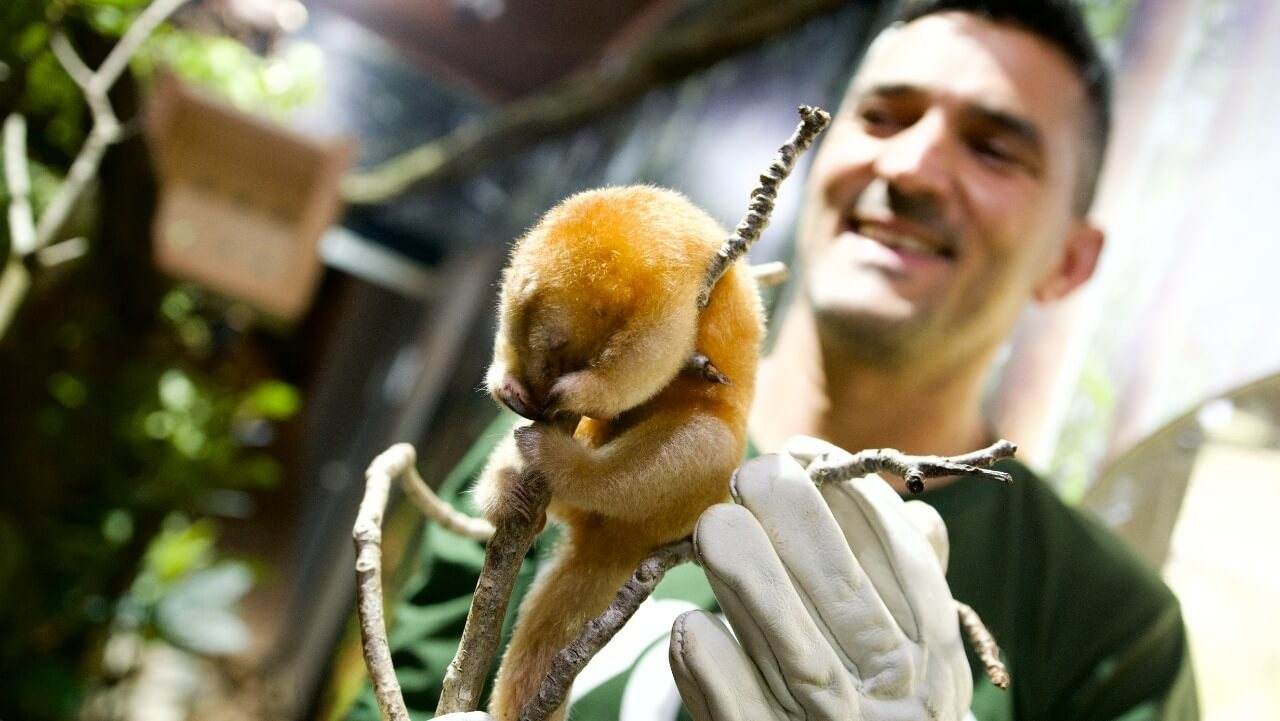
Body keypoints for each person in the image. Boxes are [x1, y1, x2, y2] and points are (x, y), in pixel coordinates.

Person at [341, 1, 1198, 719]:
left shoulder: (1107, 625)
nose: (909, 167)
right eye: (882, 117)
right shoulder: (566, 437)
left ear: (1069, 262)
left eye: (994, 147)